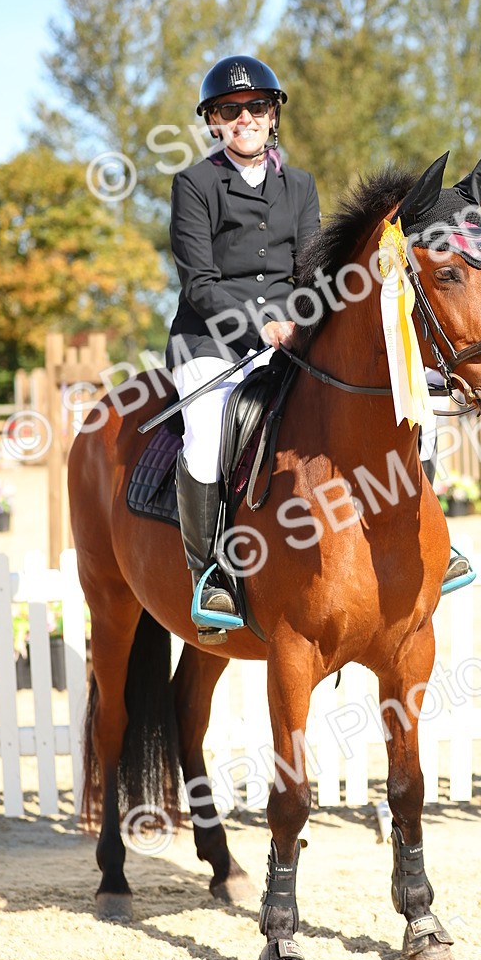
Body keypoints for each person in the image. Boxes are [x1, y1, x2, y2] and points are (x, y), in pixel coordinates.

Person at [167, 55, 320, 642]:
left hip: (287, 337)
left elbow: (311, 269)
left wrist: (300, 323)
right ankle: (212, 576)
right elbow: (199, 282)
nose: (246, 118)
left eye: (257, 107)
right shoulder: (195, 185)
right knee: (207, 432)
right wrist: (263, 326)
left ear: (273, 113)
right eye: (231, 110)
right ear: (213, 122)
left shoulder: (300, 186)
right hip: (211, 340)